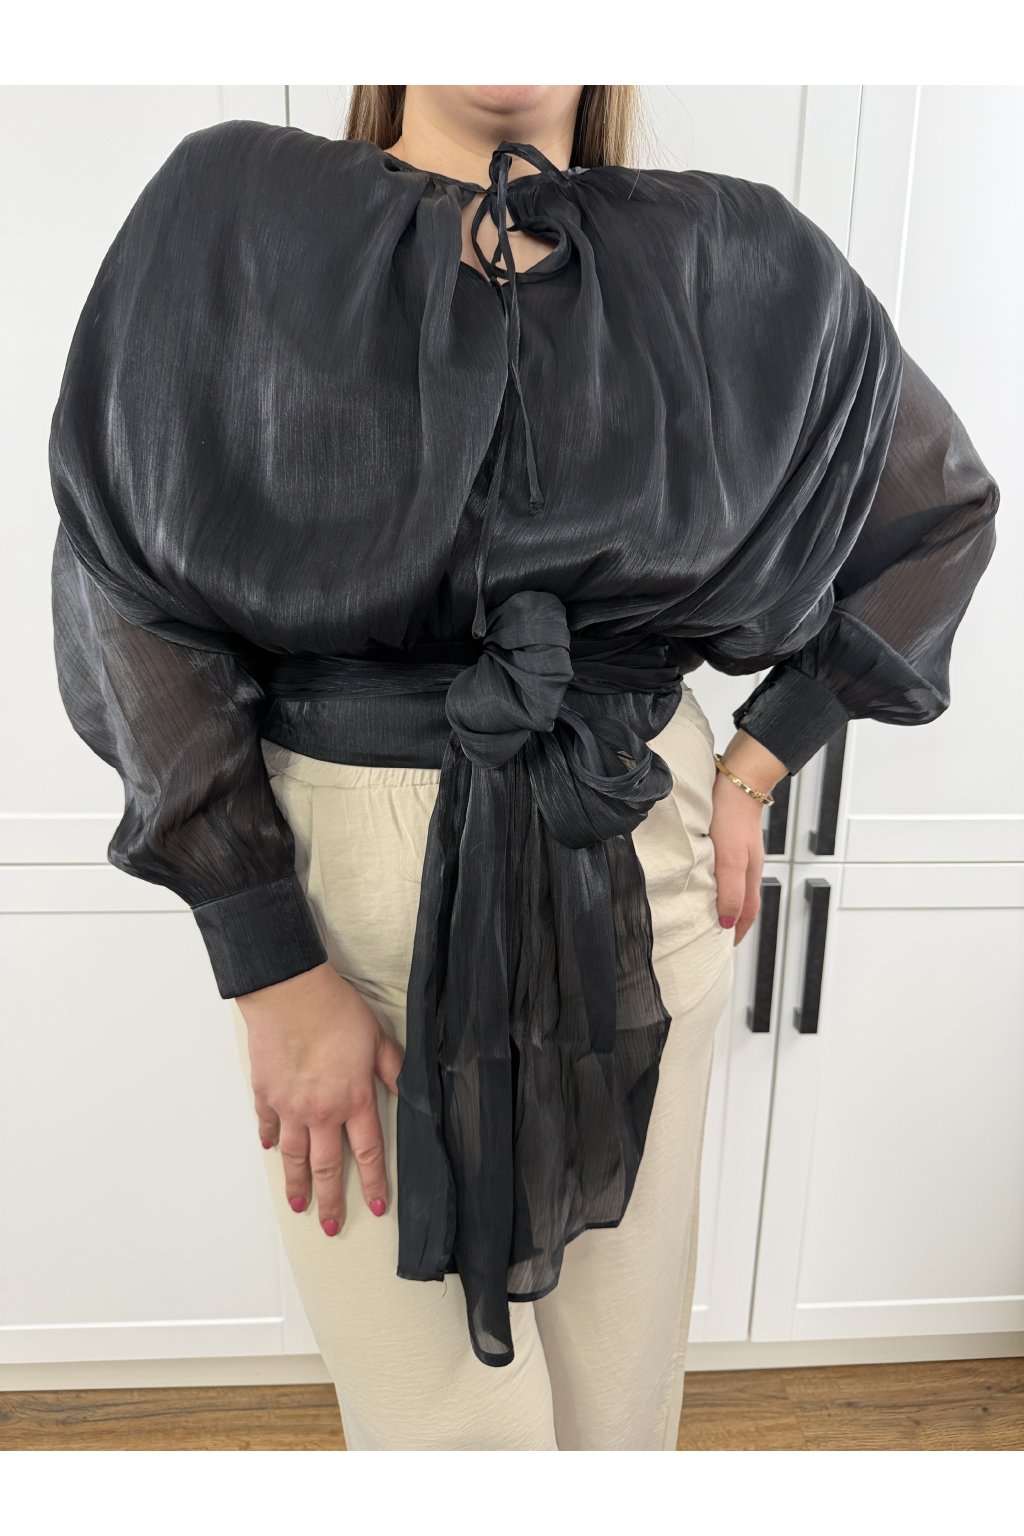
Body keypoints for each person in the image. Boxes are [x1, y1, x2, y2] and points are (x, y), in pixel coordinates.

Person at [47, 84, 999, 1450]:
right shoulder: (237, 212)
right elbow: (121, 571)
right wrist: (265, 956)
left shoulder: (733, 255)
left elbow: (942, 514)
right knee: (441, 1432)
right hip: (342, 906)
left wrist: (758, 760)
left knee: (618, 1409)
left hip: (643, 856)